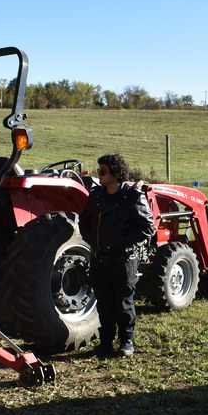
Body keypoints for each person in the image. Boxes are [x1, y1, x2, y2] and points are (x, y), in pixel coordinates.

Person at [79, 154, 156, 359]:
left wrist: (120, 242)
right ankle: (105, 344)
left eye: (103, 171)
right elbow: (83, 221)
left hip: (123, 260)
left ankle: (126, 342)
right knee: (103, 303)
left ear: (116, 173)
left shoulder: (132, 196)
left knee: (123, 302)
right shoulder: (95, 196)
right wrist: (94, 242)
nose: (99, 174)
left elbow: (147, 228)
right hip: (100, 258)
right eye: (99, 170)